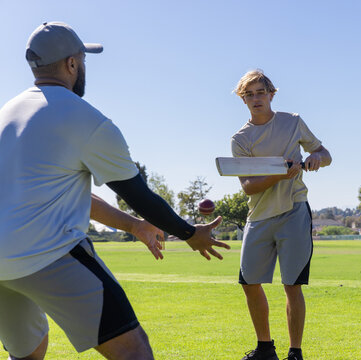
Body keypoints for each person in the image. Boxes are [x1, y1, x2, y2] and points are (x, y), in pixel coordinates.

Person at [0, 22, 229, 360]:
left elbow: (62, 195)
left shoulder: (7, 114)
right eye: (82, 60)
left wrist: (134, 225)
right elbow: (138, 193)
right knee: (133, 351)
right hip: (49, 254)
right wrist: (189, 232)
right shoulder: (85, 120)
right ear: (72, 64)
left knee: (29, 352)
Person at [231, 70, 332, 360]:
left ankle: (295, 352)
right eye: (248, 95)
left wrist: (316, 158)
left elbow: (325, 153)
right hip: (259, 216)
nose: (255, 99)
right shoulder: (240, 139)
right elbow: (249, 187)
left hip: (294, 211)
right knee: (249, 283)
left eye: (260, 92)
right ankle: (265, 349)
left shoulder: (292, 122)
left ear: (271, 94)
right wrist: (280, 174)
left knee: (292, 285)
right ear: (243, 99)